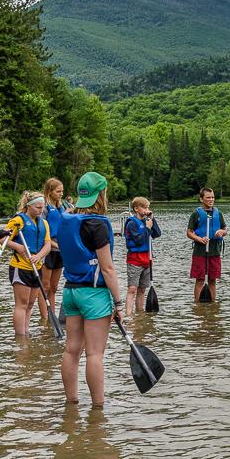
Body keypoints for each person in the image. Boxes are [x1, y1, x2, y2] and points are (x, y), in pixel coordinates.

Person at [58, 172, 122, 406]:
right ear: (101, 195)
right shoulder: (98, 225)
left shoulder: (66, 219)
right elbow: (107, 269)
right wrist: (118, 302)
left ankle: (71, 403)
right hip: (94, 294)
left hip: (70, 292)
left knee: (71, 349)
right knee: (94, 354)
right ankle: (98, 408)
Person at [4, 191, 52, 338]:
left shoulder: (44, 223)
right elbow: (0, 239)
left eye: (42, 207)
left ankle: (26, 332)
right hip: (21, 267)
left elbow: (48, 244)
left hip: (36, 267)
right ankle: (20, 337)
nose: (41, 210)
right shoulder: (18, 220)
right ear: (28, 206)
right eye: (38, 207)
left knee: (30, 303)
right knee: (22, 304)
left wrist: (39, 256)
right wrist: (17, 246)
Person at [186, 187, 227, 303]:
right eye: (208, 197)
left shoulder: (218, 213)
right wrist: (199, 239)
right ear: (201, 199)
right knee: (200, 279)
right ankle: (198, 305)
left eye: (213, 197)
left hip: (215, 251)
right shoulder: (196, 214)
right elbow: (189, 232)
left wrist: (222, 232)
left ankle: (213, 305)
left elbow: (225, 229)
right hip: (200, 251)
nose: (211, 200)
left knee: (213, 280)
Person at [124, 196, 162, 315]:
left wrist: (152, 220)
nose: (147, 210)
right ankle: (129, 315)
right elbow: (139, 240)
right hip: (135, 260)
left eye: (148, 207)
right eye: (144, 207)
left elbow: (157, 234)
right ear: (136, 209)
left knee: (142, 289)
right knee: (132, 289)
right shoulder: (132, 224)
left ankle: (140, 313)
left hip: (147, 259)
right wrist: (147, 228)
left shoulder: (147, 221)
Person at [40, 177, 67, 320]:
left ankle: (52, 317)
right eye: (58, 191)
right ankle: (45, 317)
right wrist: (54, 244)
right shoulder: (44, 208)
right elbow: (42, 230)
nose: (61, 194)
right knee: (45, 286)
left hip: (59, 251)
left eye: (62, 191)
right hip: (48, 249)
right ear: (50, 191)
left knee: (54, 287)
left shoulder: (61, 207)